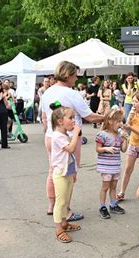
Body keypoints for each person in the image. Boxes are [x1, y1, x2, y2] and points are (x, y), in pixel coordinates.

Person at [41, 61, 104, 222]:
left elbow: (43, 117)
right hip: (69, 137)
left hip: (50, 136)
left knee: (53, 171)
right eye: (75, 75)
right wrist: (107, 117)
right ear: (68, 75)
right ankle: (66, 210)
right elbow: (89, 116)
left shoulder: (47, 91)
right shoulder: (71, 93)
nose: (77, 79)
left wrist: (48, 132)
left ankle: (51, 206)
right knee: (70, 173)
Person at [49, 104, 82, 243]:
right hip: (60, 174)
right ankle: (59, 229)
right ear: (60, 121)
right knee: (60, 202)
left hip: (67, 172)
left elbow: (70, 157)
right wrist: (75, 134)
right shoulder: (57, 136)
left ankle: (64, 223)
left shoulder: (64, 134)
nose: (74, 121)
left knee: (65, 201)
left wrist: (74, 172)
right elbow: (71, 149)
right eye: (71, 118)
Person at [116, 92, 139, 201]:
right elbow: (125, 127)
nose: (133, 103)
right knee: (128, 168)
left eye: (136, 101)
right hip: (133, 144)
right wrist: (129, 118)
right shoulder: (133, 114)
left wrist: (130, 127)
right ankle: (122, 192)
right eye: (133, 101)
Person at [95, 109, 127, 219]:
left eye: (121, 121)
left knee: (113, 186)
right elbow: (98, 149)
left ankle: (113, 204)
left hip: (115, 165)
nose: (120, 124)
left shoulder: (119, 135)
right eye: (118, 121)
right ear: (110, 121)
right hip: (106, 166)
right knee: (105, 187)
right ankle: (102, 207)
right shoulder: (102, 135)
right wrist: (106, 148)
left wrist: (124, 138)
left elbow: (123, 149)